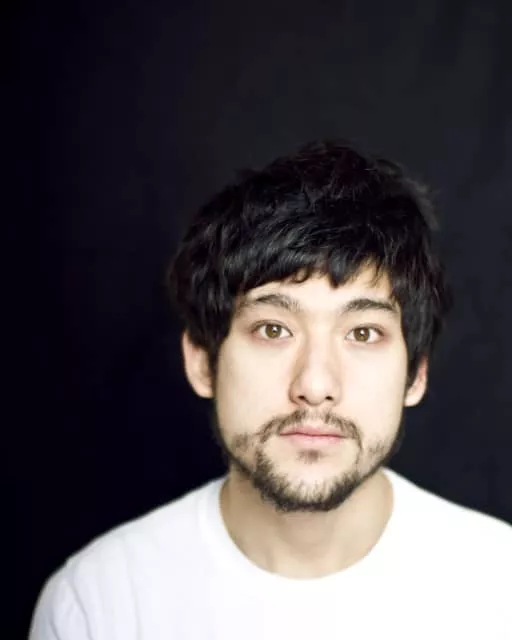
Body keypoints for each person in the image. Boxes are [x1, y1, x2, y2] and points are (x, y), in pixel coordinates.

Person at [29, 140, 512, 640]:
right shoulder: (98, 604)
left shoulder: (501, 588)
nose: (316, 386)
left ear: (416, 374)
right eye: (273, 330)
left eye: (363, 333)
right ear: (202, 362)